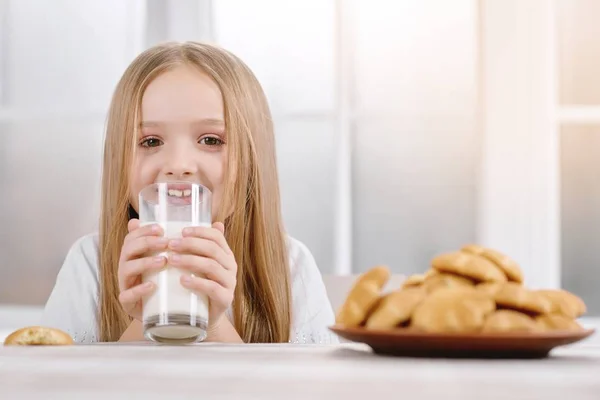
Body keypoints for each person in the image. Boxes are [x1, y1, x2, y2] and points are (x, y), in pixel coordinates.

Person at [41, 41, 338, 344]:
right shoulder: (89, 264)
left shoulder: (292, 267)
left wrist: (214, 324)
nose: (178, 165)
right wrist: (146, 319)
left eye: (210, 140)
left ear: (251, 159)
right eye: (151, 141)